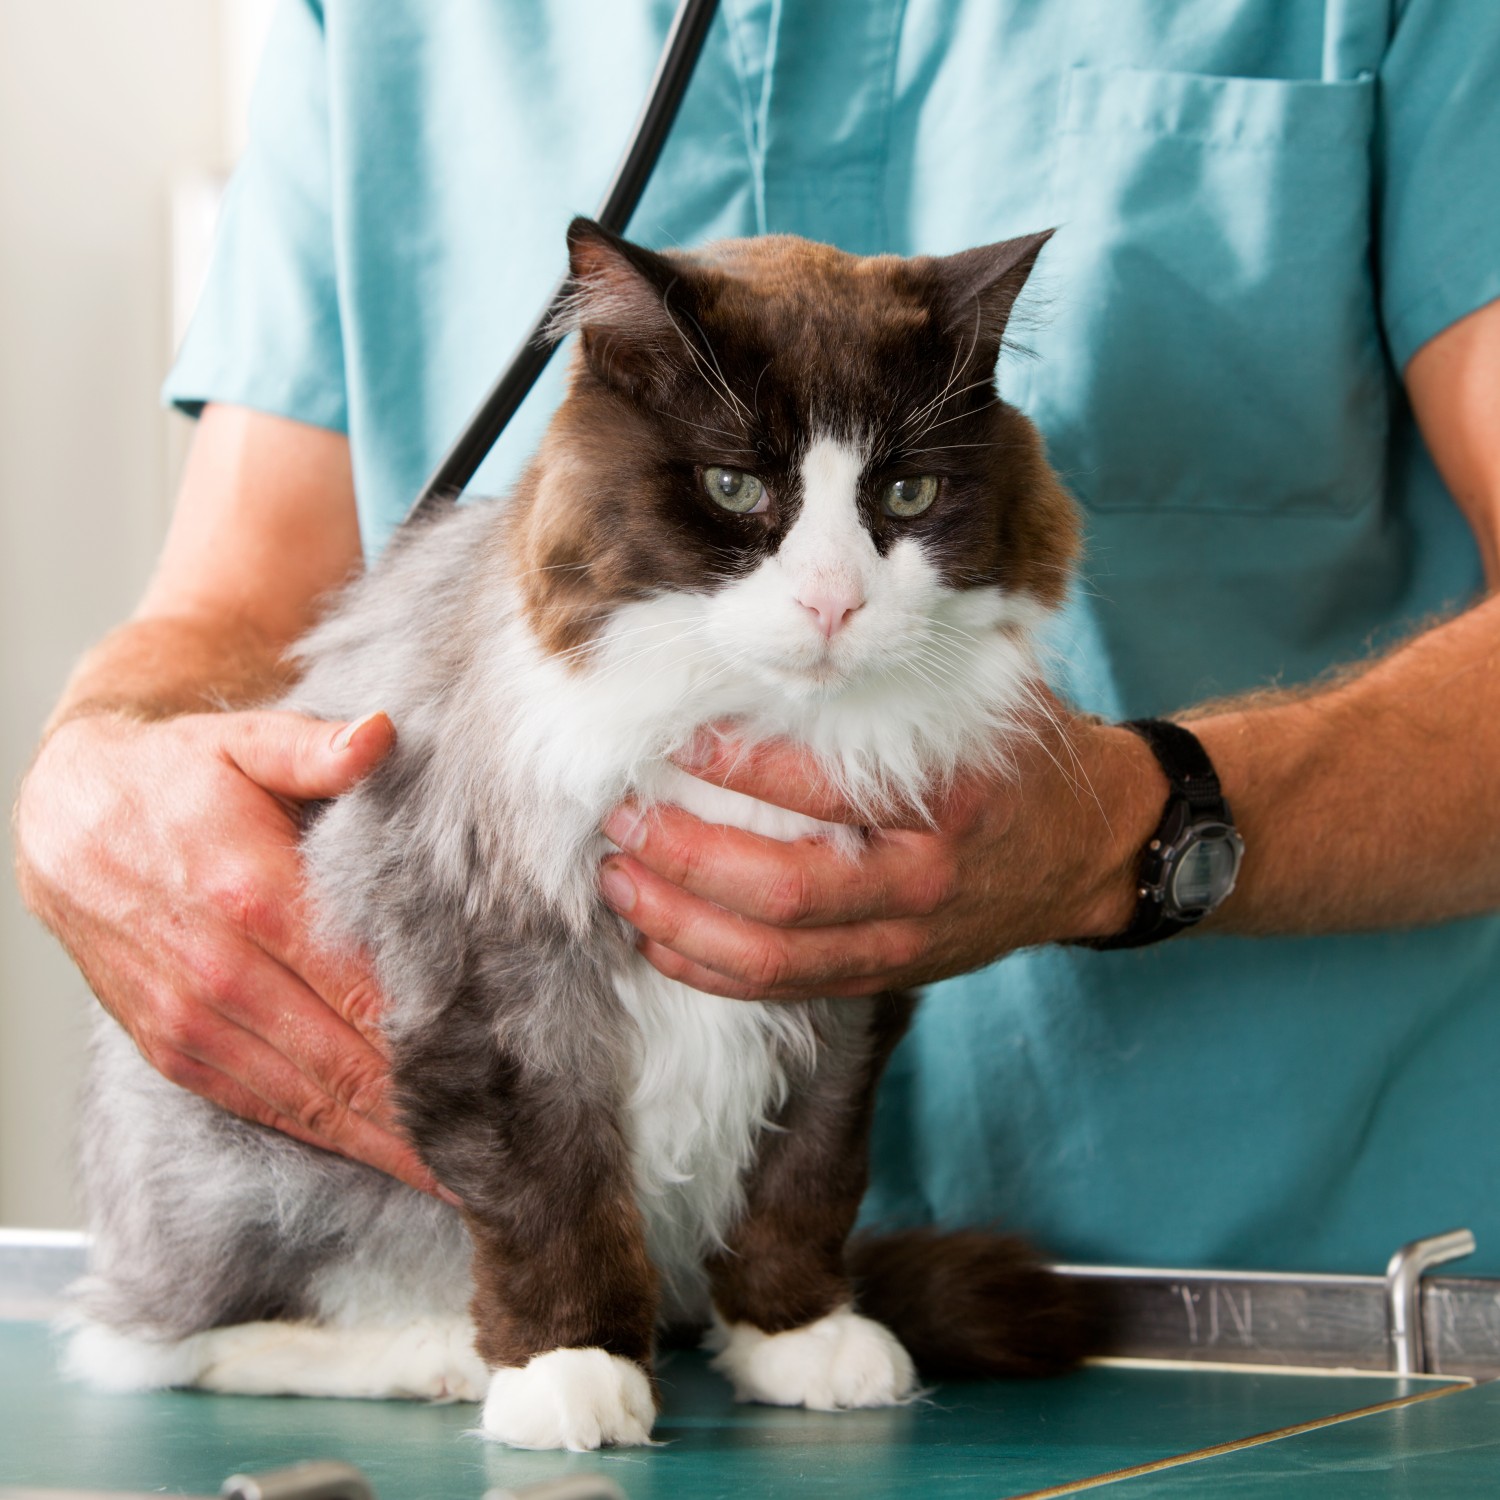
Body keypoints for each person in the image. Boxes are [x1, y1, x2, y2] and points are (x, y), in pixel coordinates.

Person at [15, 0, 1500, 1274]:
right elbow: (233, 613)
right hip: (554, 1312)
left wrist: (1132, 829)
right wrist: (91, 777)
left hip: (1265, 1317)